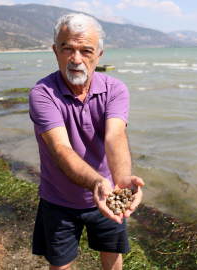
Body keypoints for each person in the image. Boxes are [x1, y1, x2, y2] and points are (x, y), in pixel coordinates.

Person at [29, 13, 144, 270]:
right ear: (55, 51)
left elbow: (114, 136)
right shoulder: (42, 93)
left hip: (109, 193)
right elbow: (60, 148)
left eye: (86, 50)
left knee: (113, 258)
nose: (76, 59)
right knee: (60, 265)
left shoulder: (115, 89)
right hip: (58, 199)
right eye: (68, 48)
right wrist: (97, 182)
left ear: (99, 54)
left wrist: (122, 178)